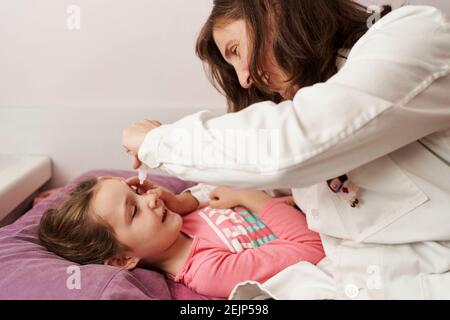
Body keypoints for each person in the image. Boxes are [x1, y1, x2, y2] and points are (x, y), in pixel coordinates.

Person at [122, 1, 450, 299]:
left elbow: (291, 146)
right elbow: (259, 172)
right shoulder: (311, 102)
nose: (245, 79)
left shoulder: (413, 36)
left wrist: (157, 140)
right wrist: (189, 200)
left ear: (273, 8)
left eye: (235, 50)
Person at [38, 176, 324, 298]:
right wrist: (254, 199)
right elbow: (313, 248)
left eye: (137, 192)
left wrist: (183, 201)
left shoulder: (180, 218)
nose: (150, 198)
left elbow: (223, 184)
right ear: (122, 258)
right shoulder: (209, 271)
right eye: (134, 211)